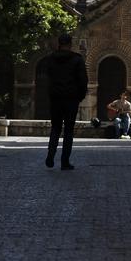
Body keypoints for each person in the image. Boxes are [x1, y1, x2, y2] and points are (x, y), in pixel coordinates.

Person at [39, 33, 88, 171]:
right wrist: (80, 96)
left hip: (55, 98)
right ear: (70, 44)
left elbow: (47, 76)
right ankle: (65, 162)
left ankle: (50, 155)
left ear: (59, 43)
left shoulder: (50, 59)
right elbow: (83, 80)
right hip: (71, 99)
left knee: (55, 128)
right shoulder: (77, 59)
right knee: (68, 130)